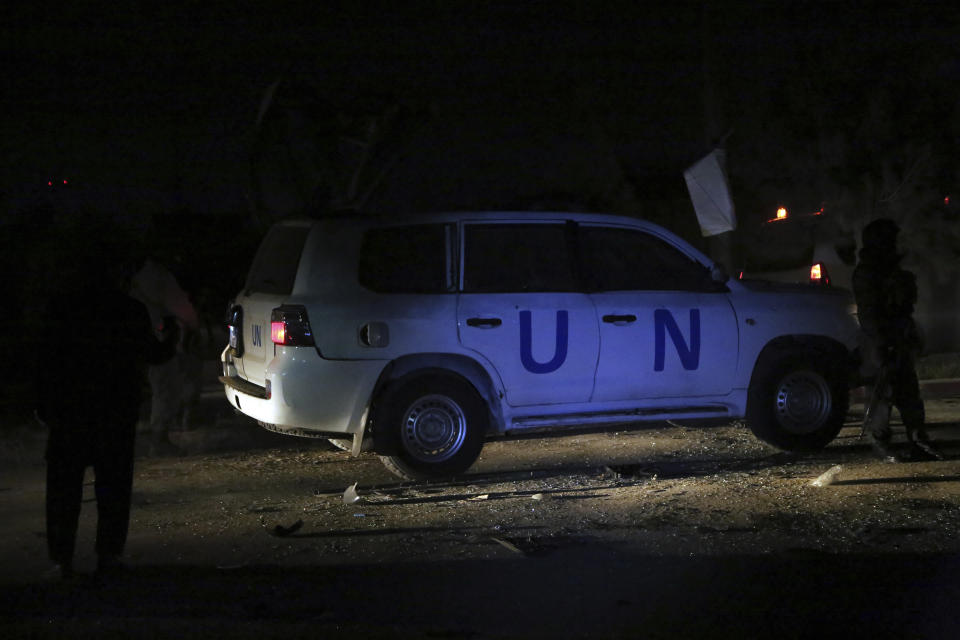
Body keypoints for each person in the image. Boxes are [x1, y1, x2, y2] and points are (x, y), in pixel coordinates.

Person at [35, 241, 179, 579]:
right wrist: (170, 335)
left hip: (69, 412)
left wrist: (43, 402)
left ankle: (62, 560)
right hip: (115, 411)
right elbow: (154, 355)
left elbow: (43, 361)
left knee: (63, 489)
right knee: (113, 488)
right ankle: (108, 556)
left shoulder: (60, 308)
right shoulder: (128, 310)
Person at [852, 218, 943, 463]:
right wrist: (882, 343)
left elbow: (904, 305)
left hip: (898, 336)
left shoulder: (891, 268)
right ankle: (881, 442)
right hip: (880, 340)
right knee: (883, 392)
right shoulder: (868, 272)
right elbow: (869, 312)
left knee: (908, 390)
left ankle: (918, 438)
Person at [129, 254, 199, 455]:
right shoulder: (156, 275)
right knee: (165, 386)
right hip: (156, 337)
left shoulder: (139, 275)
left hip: (145, 335)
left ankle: (159, 434)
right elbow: (181, 307)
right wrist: (191, 325)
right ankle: (159, 437)